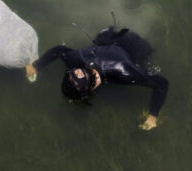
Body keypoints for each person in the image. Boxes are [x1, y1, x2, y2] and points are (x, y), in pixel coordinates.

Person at [26, 26, 169, 130]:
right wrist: (36, 65)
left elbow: (162, 84)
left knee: (147, 53)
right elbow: (59, 50)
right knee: (102, 37)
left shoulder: (126, 72)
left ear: (92, 90)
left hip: (131, 46)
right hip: (108, 41)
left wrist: (153, 115)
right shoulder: (74, 60)